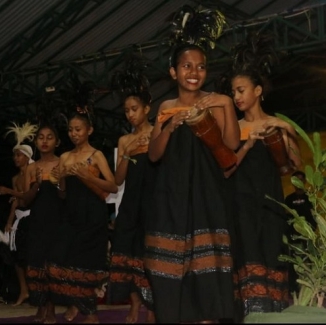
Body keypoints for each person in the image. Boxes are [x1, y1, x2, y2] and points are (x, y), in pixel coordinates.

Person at [143, 6, 240, 324]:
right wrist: (170, 127)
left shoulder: (217, 102)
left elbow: (232, 146)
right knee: (171, 273)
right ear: (173, 72)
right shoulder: (166, 107)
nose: (194, 71)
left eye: (201, 66)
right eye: (186, 66)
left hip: (208, 198)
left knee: (207, 274)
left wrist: (226, 103)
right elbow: (154, 156)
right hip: (171, 199)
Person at [216, 32, 302, 320]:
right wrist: (250, 141)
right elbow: (225, 168)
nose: (236, 96)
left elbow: (294, 167)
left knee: (272, 255)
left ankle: (275, 315)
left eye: (241, 90)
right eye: (234, 91)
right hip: (241, 204)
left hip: (272, 204)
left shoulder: (276, 124)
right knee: (248, 255)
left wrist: (284, 129)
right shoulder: (233, 128)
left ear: (258, 91)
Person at [46, 109, 118, 324]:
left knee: (87, 264)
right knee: (61, 259)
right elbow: (62, 193)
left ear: (89, 130)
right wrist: (60, 179)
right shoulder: (65, 157)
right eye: (70, 130)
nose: (73, 134)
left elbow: (113, 186)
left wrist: (87, 175)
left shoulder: (95, 155)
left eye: (78, 129)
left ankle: (91, 313)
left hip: (93, 215)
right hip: (70, 214)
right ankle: (77, 304)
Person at [105, 56, 156, 323]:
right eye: (126, 110)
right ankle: (134, 305)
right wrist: (127, 153)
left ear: (147, 108)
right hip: (130, 202)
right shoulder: (125, 140)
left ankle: (153, 308)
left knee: (150, 254)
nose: (130, 114)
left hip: (154, 202)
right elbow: (117, 180)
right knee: (126, 252)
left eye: (134, 108)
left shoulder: (159, 132)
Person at [0, 120, 65, 323]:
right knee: (35, 265)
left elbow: (64, 196)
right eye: (41, 137)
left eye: (49, 137)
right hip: (35, 220)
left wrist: (59, 180)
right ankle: (40, 305)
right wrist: (36, 185)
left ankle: (51, 308)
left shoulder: (62, 162)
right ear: (36, 142)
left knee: (51, 266)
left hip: (55, 220)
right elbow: (25, 200)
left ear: (57, 142)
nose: (45, 141)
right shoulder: (31, 168)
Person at [3, 122, 38, 307]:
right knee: (17, 257)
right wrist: (9, 221)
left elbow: (26, 195)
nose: (15, 158)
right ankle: (24, 290)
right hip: (19, 217)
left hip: (32, 217)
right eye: (14, 155)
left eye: (19, 155)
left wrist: (9, 192)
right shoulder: (15, 178)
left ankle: (35, 291)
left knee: (31, 256)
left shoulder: (33, 173)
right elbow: (17, 200)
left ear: (26, 157)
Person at [284, 170, 313, 293]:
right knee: (294, 262)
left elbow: (314, 216)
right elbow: (286, 217)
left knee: (308, 261)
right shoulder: (289, 199)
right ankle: (294, 289)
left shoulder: (310, 197)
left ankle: (309, 289)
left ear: (305, 181)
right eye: (296, 179)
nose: (299, 182)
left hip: (307, 236)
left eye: (301, 179)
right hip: (293, 237)